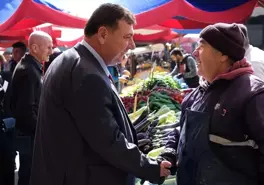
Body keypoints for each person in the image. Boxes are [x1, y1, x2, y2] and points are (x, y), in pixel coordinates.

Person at [30, 3, 171, 185]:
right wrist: (151, 168)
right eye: (127, 37)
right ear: (103, 34)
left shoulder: (75, 61)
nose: (132, 45)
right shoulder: (86, 73)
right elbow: (108, 140)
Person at [159, 23, 264, 185]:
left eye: (201, 46)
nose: (194, 53)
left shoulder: (254, 95)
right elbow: (184, 129)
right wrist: (169, 152)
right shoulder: (199, 92)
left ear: (223, 55)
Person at [7, 31, 53, 185]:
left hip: (29, 134)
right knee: (29, 175)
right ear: (34, 47)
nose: (51, 51)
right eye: (48, 47)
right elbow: (26, 112)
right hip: (29, 136)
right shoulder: (28, 70)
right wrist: (42, 132)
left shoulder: (31, 67)